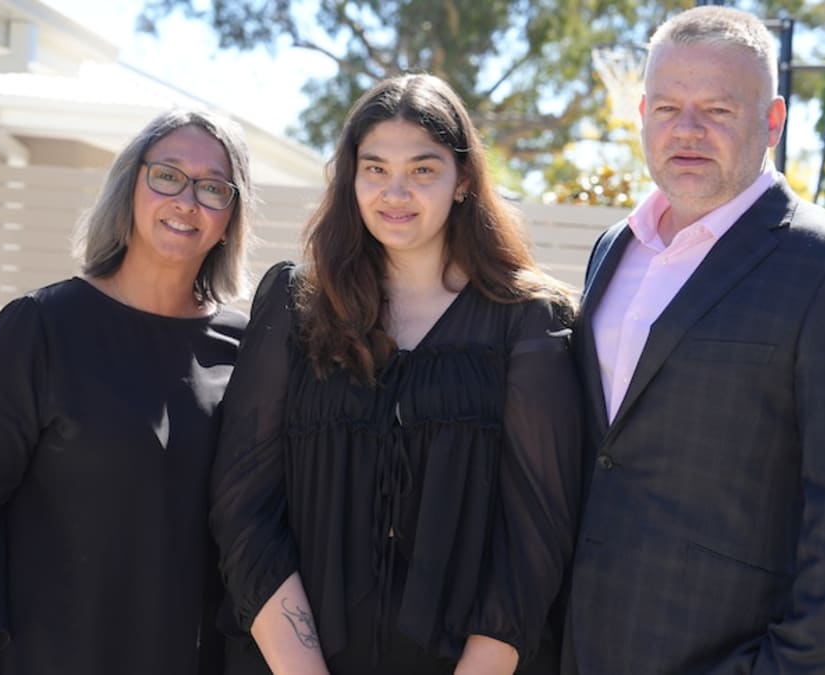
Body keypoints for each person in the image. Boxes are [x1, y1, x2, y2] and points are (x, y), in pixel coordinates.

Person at [563, 6, 825, 673]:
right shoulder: (614, 247)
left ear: (774, 120)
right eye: (668, 106)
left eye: (719, 110)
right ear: (641, 113)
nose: (688, 130)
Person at [210, 73, 583, 675]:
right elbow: (242, 502)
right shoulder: (295, 303)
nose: (396, 192)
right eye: (375, 168)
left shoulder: (529, 323)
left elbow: (539, 530)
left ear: (463, 180)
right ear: (351, 179)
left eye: (423, 170)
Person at [0, 109, 255, 675]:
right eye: (168, 175)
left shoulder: (246, 351)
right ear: (130, 187)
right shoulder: (40, 329)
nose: (187, 200)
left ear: (229, 219)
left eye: (213, 188)